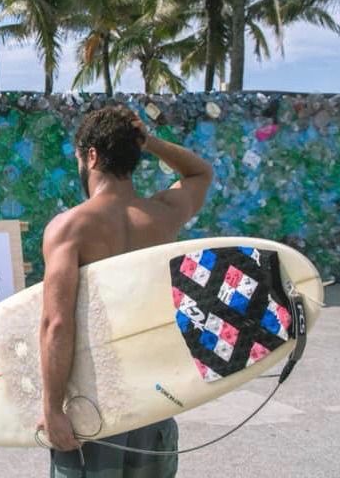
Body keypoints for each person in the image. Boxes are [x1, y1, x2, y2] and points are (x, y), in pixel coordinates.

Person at [37, 105, 214, 477]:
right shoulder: (163, 214)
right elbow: (200, 172)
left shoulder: (70, 228)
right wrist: (148, 143)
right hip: (156, 397)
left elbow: (57, 323)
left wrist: (52, 408)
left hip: (94, 402)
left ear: (91, 156)